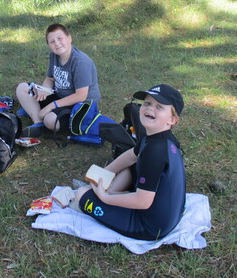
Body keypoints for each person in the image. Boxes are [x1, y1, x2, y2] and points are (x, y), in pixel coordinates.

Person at [72, 84, 185, 241]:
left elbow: (143, 201)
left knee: (81, 194)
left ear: (172, 120)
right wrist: (104, 173)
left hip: (149, 227)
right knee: (129, 166)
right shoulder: (158, 137)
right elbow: (131, 156)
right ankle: (110, 191)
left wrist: (106, 199)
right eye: (147, 103)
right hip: (166, 214)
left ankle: (108, 195)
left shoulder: (154, 151)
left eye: (159, 107)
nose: (150, 109)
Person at [16, 23, 101, 137]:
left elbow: (81, 96)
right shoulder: (54, 56)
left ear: (69, 38)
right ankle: (37, 122)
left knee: (50, 120)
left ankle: (37, 111)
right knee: (22, 87)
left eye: (60, 38)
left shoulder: (80, 62)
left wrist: (51, 106)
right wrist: (43, 90)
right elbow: (50, 79)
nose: (57, 43)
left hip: (79, 104)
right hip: (60, 96)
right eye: (52, 41)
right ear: (49, 45)